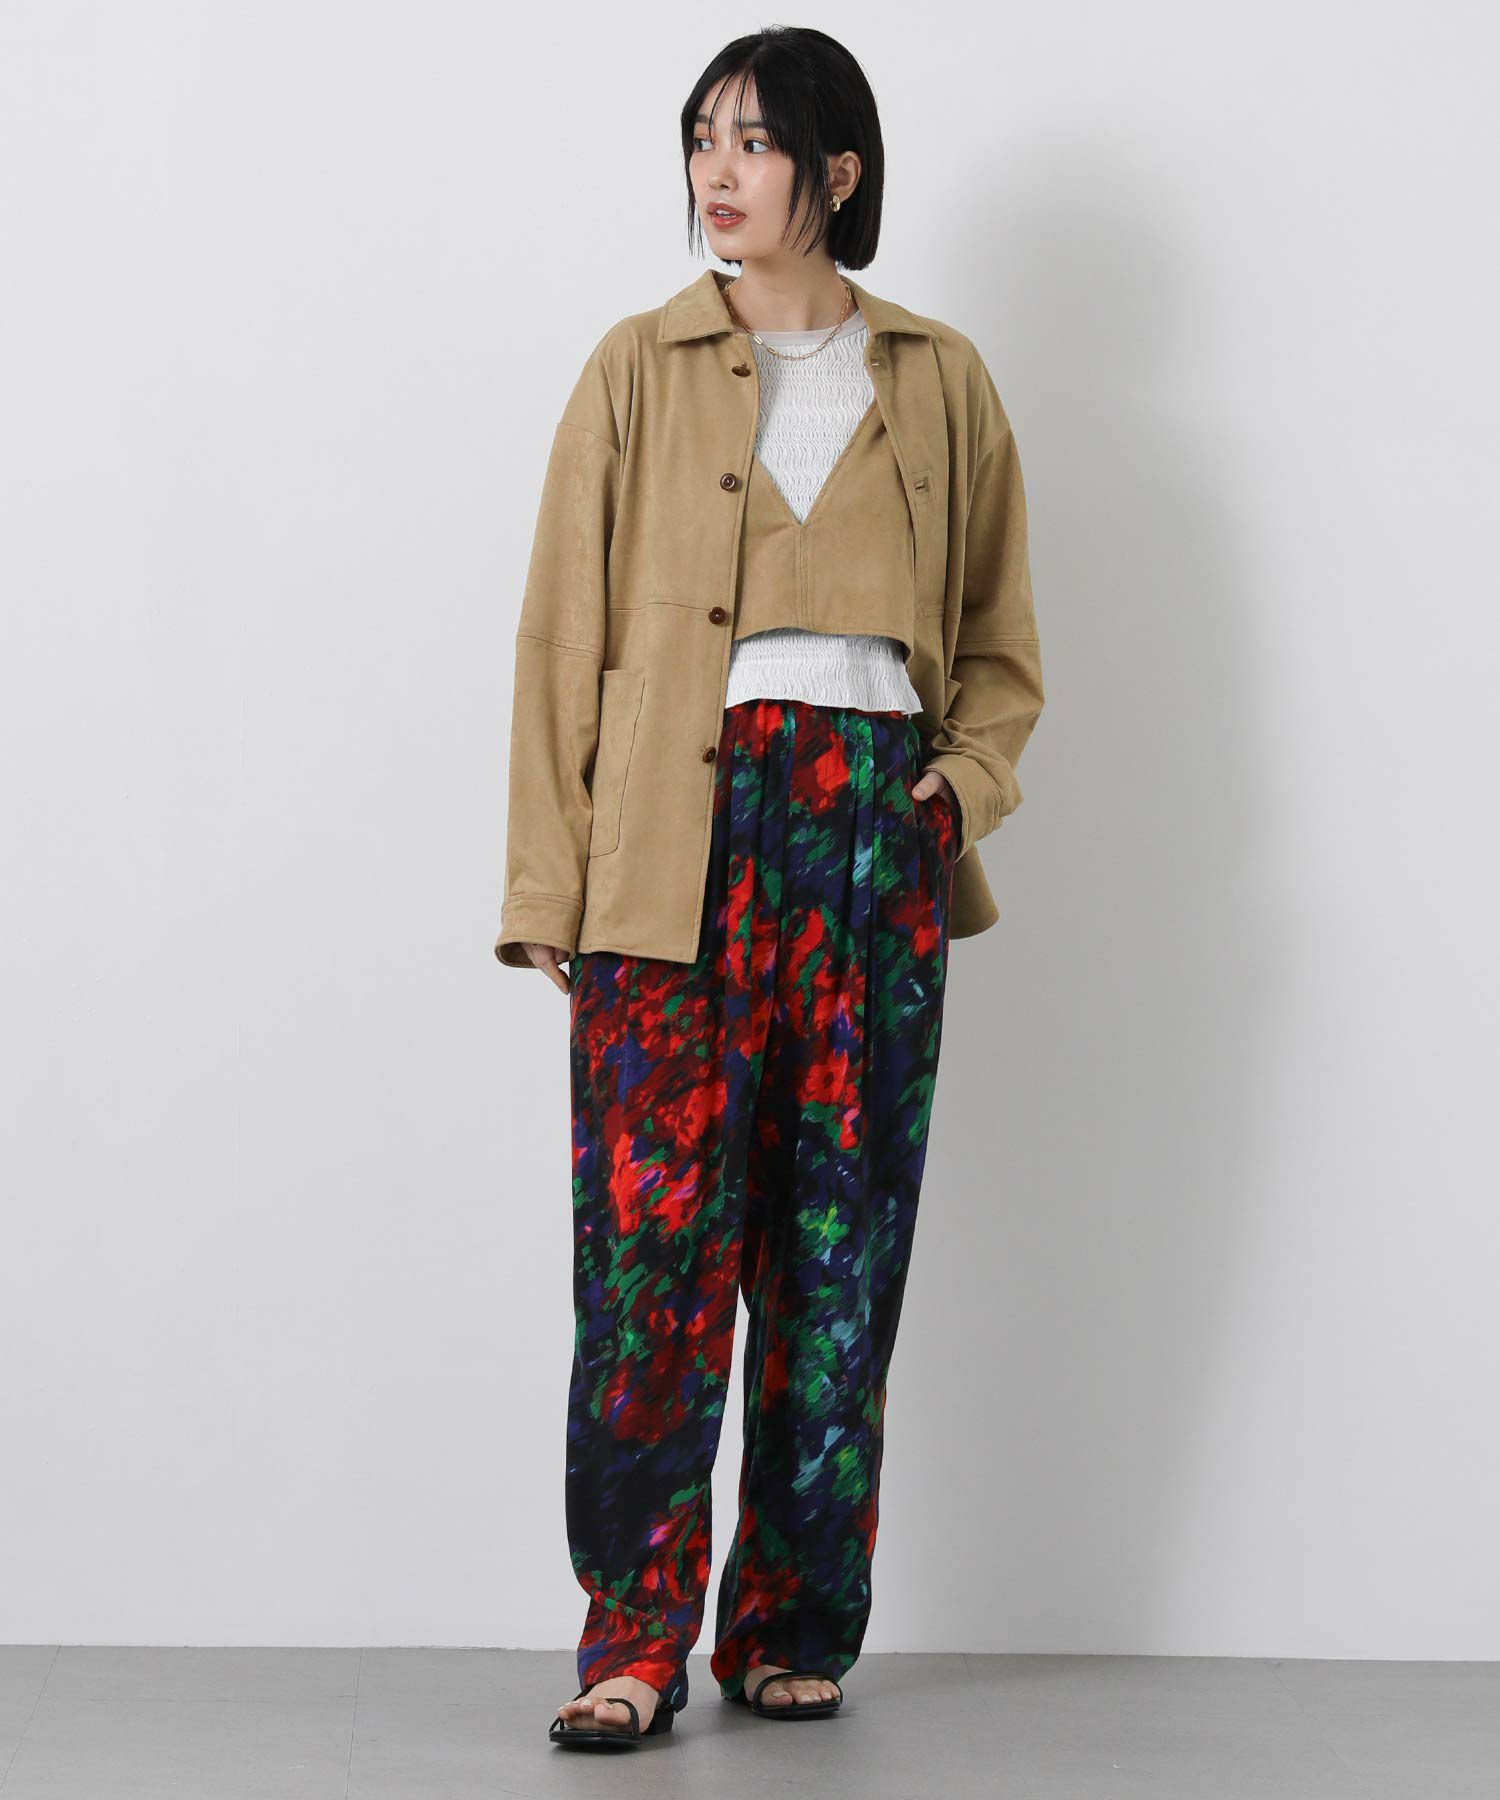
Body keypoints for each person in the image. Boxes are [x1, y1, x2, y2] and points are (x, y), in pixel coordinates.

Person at [493, 27, 1045, 1750]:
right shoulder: (636, 368)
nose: (716, 172)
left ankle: (794, 1623)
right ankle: (633, 1636)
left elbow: (1000, 647)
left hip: (873, 846)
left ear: (838, 172)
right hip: (675, 851)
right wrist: (553, 884)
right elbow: (560, 638)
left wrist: (953, 798)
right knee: (648, 1265)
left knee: (836, 1257)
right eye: (702, 139)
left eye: (754, 141)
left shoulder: (940, 379)